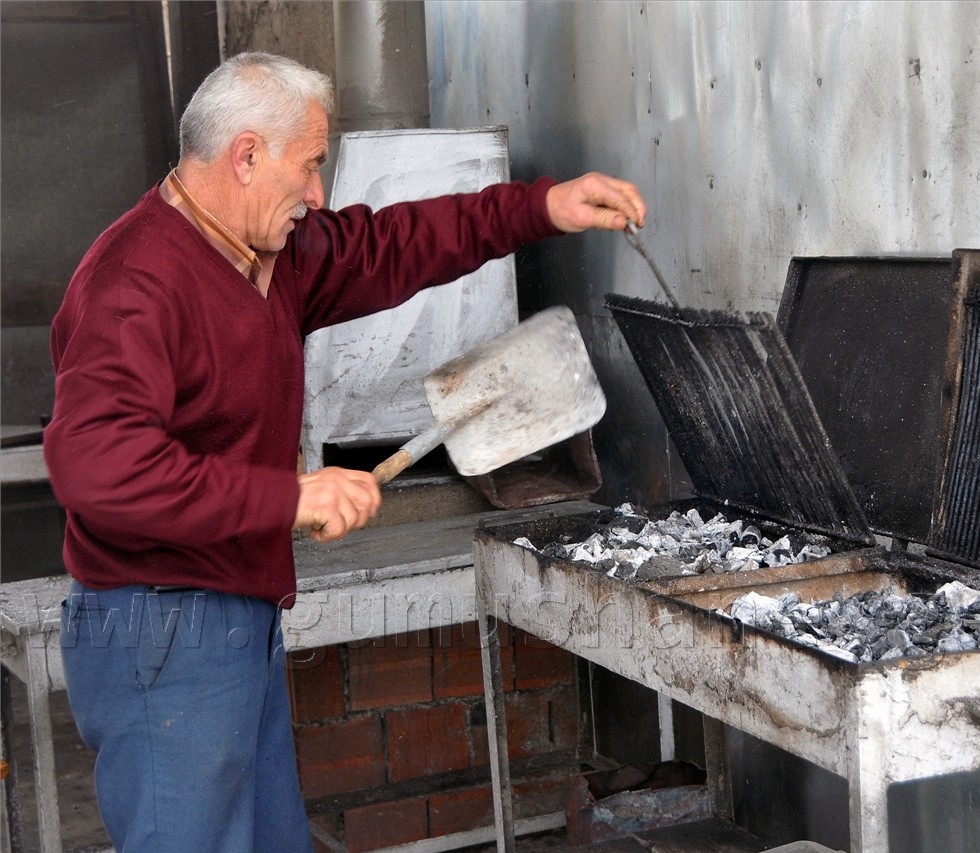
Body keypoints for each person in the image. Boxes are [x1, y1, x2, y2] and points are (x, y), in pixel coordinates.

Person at [43, 52, 646, 853]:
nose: (320, 193)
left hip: (235, 615)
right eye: (312, 165)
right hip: (160, 627)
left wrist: (540, 209)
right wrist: (288, 496)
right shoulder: (134, 281)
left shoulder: (267, 253)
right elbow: (97, 466)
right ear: (247, 156)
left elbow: (393, 244)